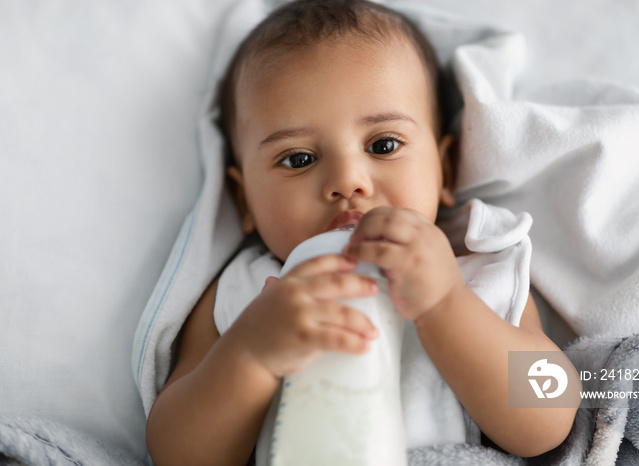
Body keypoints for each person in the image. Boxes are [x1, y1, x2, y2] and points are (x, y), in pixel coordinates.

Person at [145, 0, 580, 464]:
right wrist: (251, 355)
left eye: (383, 145)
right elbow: (175, 453)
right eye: (298, 159)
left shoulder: (478, 272)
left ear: (445, 170)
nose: (347, 180)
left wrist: (446, 305)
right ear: (244, 200)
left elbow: (549, 419)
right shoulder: (246, 295)